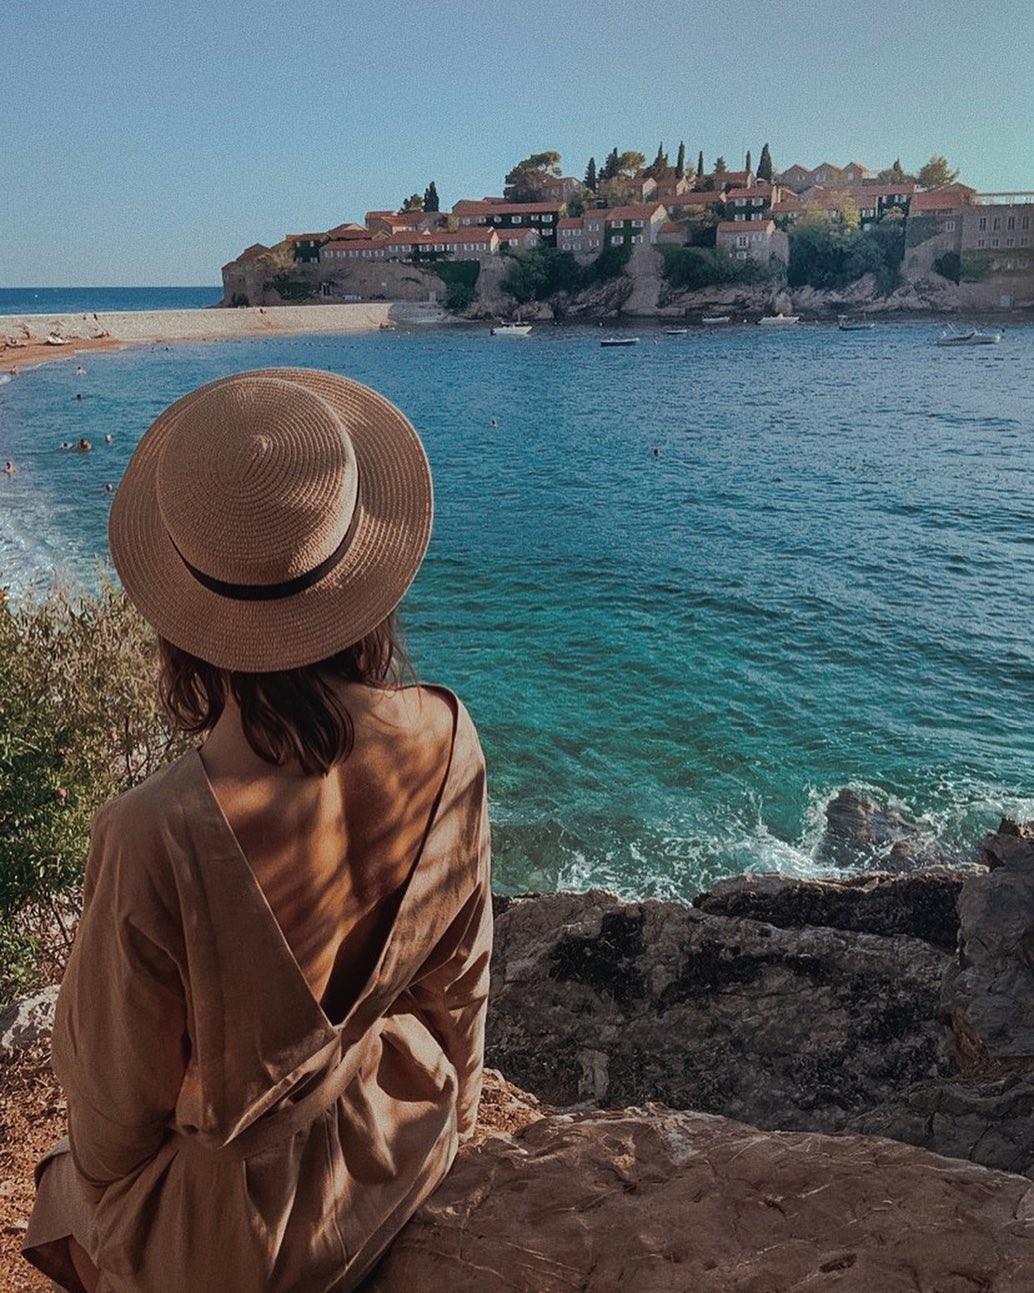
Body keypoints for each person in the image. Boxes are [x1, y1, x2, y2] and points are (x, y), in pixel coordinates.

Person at [23, 368, 492, 1293]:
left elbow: (114, 1131)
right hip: (401, 1133)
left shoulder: (153, 832)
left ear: (187, 617)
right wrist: (458, 1118)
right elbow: (460, 985)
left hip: (242, 1246)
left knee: (58, 1195)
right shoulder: (448, 734)